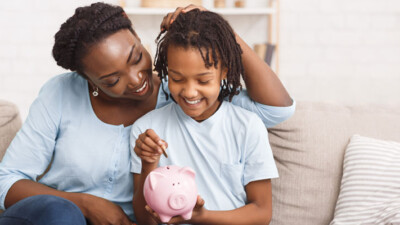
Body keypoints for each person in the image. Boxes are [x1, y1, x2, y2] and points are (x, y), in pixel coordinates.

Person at [0, 2, 294, 225]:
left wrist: (220, 31)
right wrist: (86, 204)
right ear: (86, 78)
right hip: (57, 216)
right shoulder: (61, 93)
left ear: (136, 33)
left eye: (137, 57)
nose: (137, 78)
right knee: (61, 213)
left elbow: (276, 110)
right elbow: (7, 180)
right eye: (112, 80)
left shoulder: (179, 90)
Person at [131, 9, 287, 225]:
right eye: (177, 78)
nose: (189, 92)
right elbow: (144, 220)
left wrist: (201, 217)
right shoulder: (147, 128)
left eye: (203, 81)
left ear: (225, 71)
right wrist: (148, 163)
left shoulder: (248, 126)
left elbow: (261, 213)